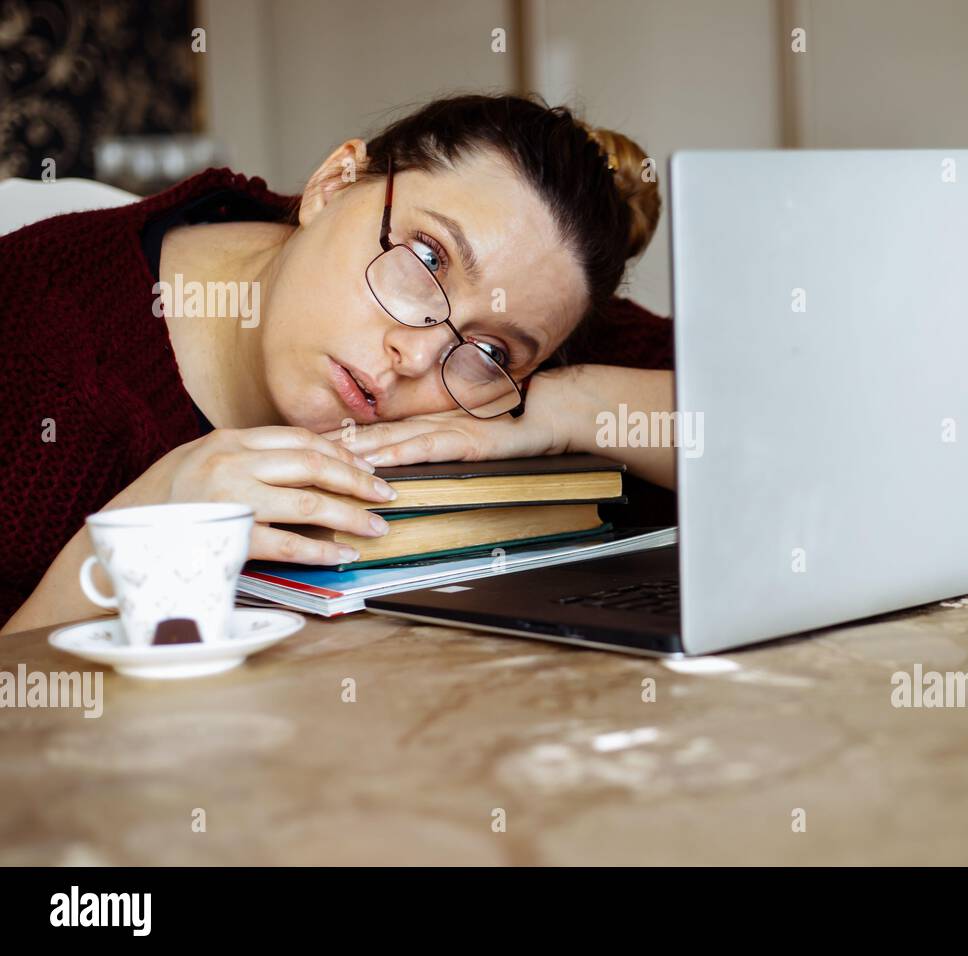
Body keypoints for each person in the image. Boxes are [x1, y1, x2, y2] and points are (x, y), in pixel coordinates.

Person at [0, 94, 679, 635]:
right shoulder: (35, 346)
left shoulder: (521, 326)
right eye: (426, 259)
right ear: (332, 185)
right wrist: (124, 545)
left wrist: (570, 408)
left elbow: (776, 423)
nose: (415, 355)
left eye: (497, 350)